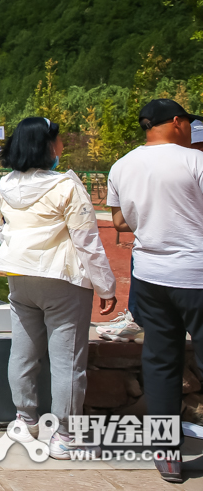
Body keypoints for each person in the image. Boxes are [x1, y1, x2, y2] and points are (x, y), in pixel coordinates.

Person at [0, 117, 116, 459]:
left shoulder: (4, 186)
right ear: (46, 145)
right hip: (61, 280)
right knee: (68, 363)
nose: (62, 146)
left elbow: (4, 232)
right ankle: (66, 436)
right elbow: (87, 241)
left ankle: (24, 419)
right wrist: (106, 287)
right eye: (59, 140)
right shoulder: (66, 186)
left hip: (19, 279)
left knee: (23, 354)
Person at [108, 98, 203, 483]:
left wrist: (154, 216)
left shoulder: (122, 165)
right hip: (196, 273)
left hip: (150, 276)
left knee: (161, 362)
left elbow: (119, 221)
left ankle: (166, 456)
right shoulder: (195, 162)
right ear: (177, 122)